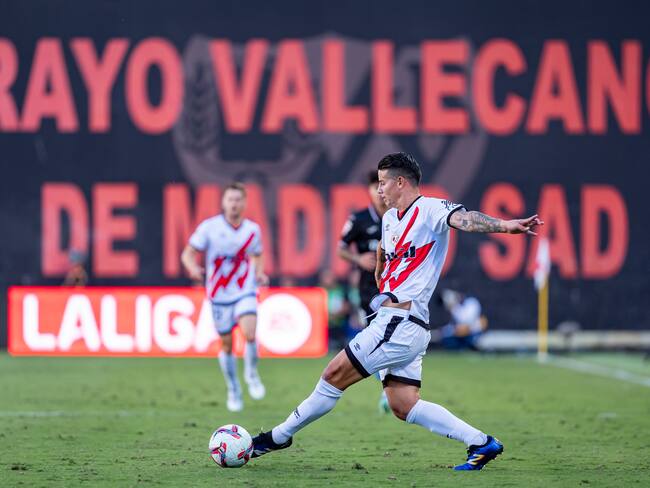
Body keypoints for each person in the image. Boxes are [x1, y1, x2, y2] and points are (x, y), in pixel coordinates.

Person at [249, 152, 543, 470]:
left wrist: (505, 226)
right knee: (403, 405)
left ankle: (278, 437)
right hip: (405, 325)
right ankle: (481, 443)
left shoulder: (430, 209)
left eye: (382, 182)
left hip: (399, 323)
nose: (379, 190)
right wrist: (379, 269)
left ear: (400, 182)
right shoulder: (390, 219)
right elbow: (383, 249)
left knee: (333, 375)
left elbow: (467, 219)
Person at [181, 182, 269, 412]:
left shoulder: (252, 229)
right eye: (230, 199)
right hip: (219, 294)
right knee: (227, 345)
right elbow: (188, 254)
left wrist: (258, 274)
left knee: (249, 332)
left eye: (238, 200)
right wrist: (192, 268)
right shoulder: (209, 228)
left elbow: (257, 255)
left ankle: (251, 374)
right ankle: (233, 388)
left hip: (245, 290)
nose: (234, 204)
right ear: (223, 202)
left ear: (244, 203)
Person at [338, 170, 391, 412]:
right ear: (369, 191)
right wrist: (358, 259)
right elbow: (341, 249)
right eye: (374, 187)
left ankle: (393, 389)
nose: (379, 192)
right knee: (380, 336)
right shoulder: (359, 219)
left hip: (396, 286)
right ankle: (387, 391)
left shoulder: (399, 216)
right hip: (369, 287)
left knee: (393, 337)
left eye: (381, 186)